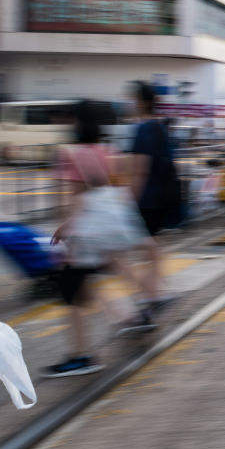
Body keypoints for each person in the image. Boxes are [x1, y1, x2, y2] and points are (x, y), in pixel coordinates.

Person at [44, 101, 154, 378]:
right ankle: (135, 314)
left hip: (85, 234)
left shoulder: (70, 155)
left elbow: (76, 199)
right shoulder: (111, 152)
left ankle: (81, 356)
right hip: (107, 231)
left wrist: (67, 229)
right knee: (109, 268)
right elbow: (120, 188)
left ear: (77, 124)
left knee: (72, 292)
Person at [130, 81, 176, 306]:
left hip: (147, 199)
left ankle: (153, 293)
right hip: (162, 197)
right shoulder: (159, 126)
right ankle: (155, 290)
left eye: (132, 98)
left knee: (147, 247)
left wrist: (131, 200)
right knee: (153, 244)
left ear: (141, 101)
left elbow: (140, 170)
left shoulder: (142, 129)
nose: (130, 103)